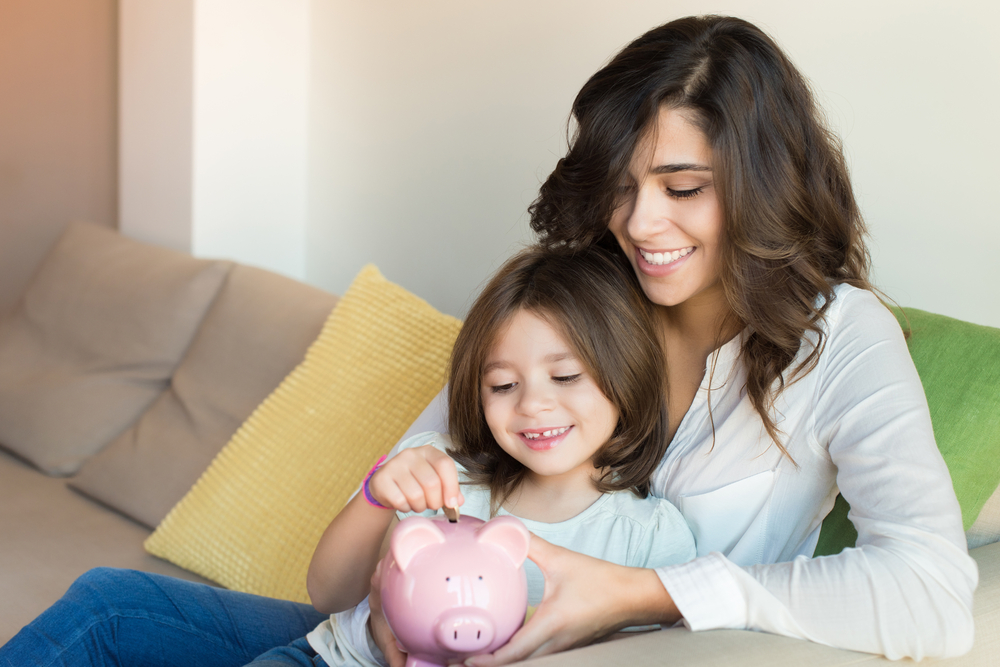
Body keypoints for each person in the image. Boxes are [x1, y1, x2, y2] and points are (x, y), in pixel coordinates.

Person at [0, 13, 977, 667]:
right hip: (394, 637)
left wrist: (642, 592)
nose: (640, 223)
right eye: (622, 185)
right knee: (107, 607)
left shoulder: (838, 342)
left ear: (764, 179)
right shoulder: (578, 299)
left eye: (683, 187)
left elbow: (930, 591)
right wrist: (389, 563)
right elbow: (370, 538)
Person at [302, 246, 695, 666]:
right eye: (503, 385)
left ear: (627, 372)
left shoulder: (648, 535)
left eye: (565, 377)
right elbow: (328, 595)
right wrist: (376, 497)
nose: (532, 404)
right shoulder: (438, 471)